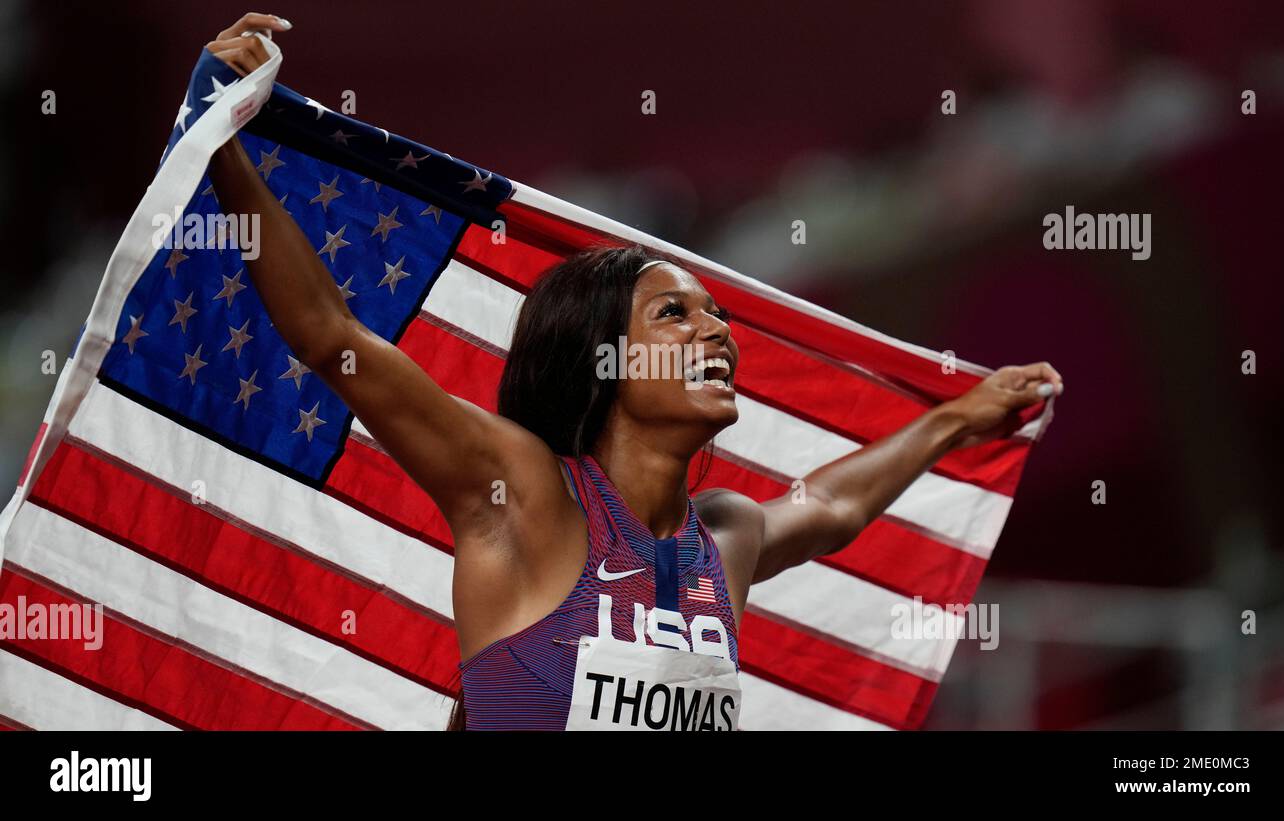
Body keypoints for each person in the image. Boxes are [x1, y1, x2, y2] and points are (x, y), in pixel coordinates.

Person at [205, 13, 1064, 730]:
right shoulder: (522, 493)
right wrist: (223, 139)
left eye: (717, 315)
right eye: (676, 314)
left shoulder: (723, 537)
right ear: (602, 361)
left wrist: (960, 416)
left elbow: (835, 505)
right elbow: (329, 334)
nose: (716, 333)